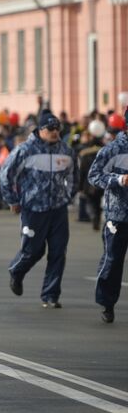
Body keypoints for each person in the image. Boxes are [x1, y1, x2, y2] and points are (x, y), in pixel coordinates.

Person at [0, 110, 78, 309]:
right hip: (33, 208)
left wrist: (67, 196)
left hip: (58, 209)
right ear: (40, 130)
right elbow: (6, 174)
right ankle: (17, 272)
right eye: (50, 128)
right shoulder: (25, 150)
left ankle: (50, 295)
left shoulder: (66, 151)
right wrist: (12, 200)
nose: (54, 132)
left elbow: (73, 176)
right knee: (33, 251)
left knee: (59, 252)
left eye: (57, 128)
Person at [86, 105, 128, 323]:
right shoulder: (113, 150)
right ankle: (107, 303)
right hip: (118, 216)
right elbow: (93, 176)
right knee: (113, 260)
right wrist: (118, 180)